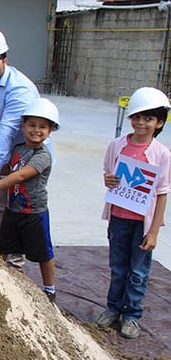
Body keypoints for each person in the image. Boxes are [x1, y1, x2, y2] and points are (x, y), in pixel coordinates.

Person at [97, 87, 171, 339]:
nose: (141, 123)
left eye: (149, 118)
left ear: (159, 122)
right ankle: (113, 308)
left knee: (138, 271)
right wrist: (109, 181)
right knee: (118, 267)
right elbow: (109, 175)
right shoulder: (117, 146)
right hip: (119, 218)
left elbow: (162, 193)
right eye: (137, 117)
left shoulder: (161, 154)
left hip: (142, 222)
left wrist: (153, 231)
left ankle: (131, 315)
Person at [0, 26, 43, 269]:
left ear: (5, 59)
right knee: (2, 204)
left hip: (29, 155)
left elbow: (8, 130)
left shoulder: (19, 90)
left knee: (20, 207)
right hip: (7, 150)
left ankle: (14, 266)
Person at [0, 98, 60, 303]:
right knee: (1, 249)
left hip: (33, 212)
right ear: (23, 126)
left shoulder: (43, 155)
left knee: (43, 252)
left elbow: (22, 175)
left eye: (42, 127)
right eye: (32, 125)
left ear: (50, 130)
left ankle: (49, 289)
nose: (36, 130)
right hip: (13, 209)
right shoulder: (18, 150)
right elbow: (11, 169)